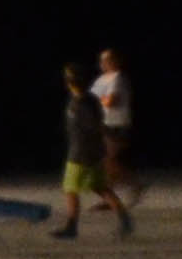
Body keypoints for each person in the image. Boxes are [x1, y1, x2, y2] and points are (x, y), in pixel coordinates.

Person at [52, 64, 131, 240]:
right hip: (89, 152)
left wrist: (108, 139)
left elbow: (96, 127)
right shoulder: (85, 100)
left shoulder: (82, 104)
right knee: (99, 187)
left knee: (70, 188)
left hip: (81, 154)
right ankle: (125, 220)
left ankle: (71, 227)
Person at [92, 48, 140, 205]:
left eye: (107, 60)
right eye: (102, 60)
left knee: (108, 161)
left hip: (118, 124)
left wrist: (101, 99)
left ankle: (133, 184)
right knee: (106, 163)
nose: (103, 63)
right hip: (105, 123)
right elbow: (91, 99)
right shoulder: (102, 79)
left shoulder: (118, 78)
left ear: (116, 61)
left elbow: (111, 101)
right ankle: (111, 198)